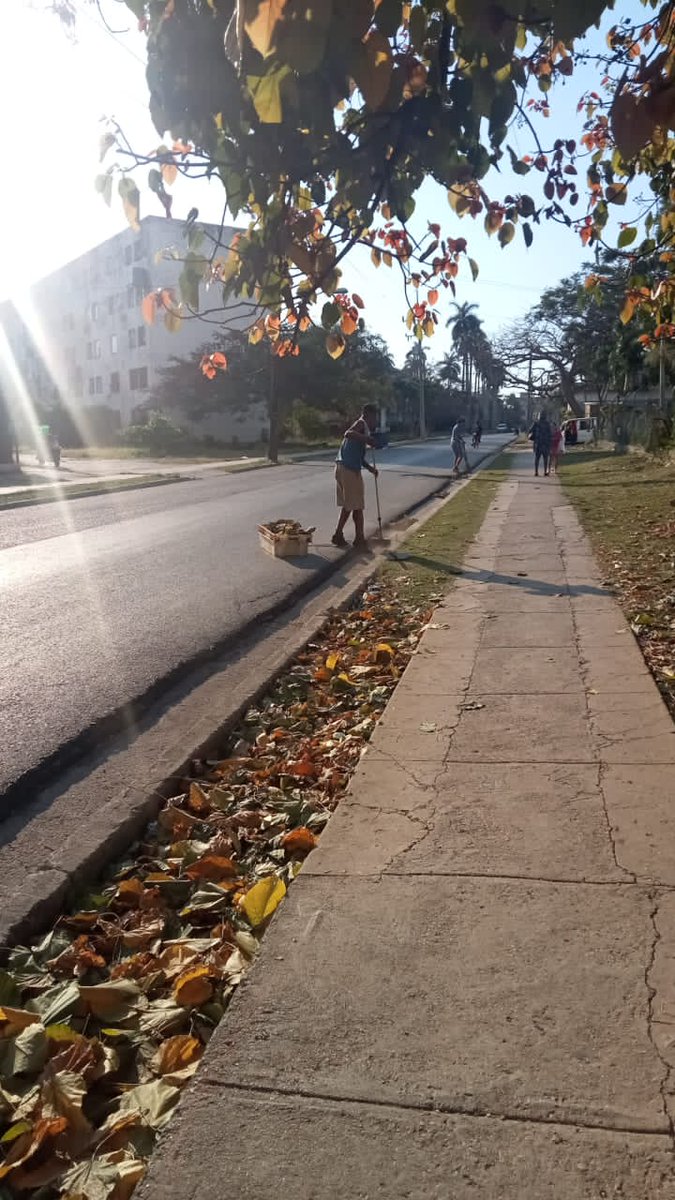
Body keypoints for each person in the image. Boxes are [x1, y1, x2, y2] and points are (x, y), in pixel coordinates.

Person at [332, 404, 379, 549]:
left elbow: (358, 456)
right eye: (374, 417)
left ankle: (340, 535)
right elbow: (348, 433)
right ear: (368, 415)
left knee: (351, 505)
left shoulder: (363, 428)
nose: (375, 421)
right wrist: (366, 439)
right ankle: (358, 539)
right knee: (356, 505)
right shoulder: (361, 423)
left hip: (345, 467)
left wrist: (370, 468)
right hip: (348, 469)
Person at [529, 410, 552, 477]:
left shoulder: (536, 423)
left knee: (537, 458)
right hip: (545, 443)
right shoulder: (547, 424)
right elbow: (550, 434)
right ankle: (545, 472)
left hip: (538, 443)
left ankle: (536, 472)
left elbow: (530, 430)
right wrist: (550, 443)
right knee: (545, 459)